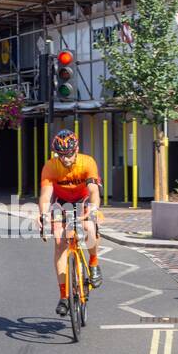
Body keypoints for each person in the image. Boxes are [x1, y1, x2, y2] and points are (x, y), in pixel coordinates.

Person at [38, 130, 102, 316]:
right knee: (59, 242)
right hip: (62, 202)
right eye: (61, 155)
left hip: (83, 199)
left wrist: (94, 209)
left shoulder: (87, 162)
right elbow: (45, 196)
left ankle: (94, 263)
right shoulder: (50, 166)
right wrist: (43, 216)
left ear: (77, 149)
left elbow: (93, 191)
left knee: (89, 226)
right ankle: (64, 296)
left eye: (69, 154)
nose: (65, 159)